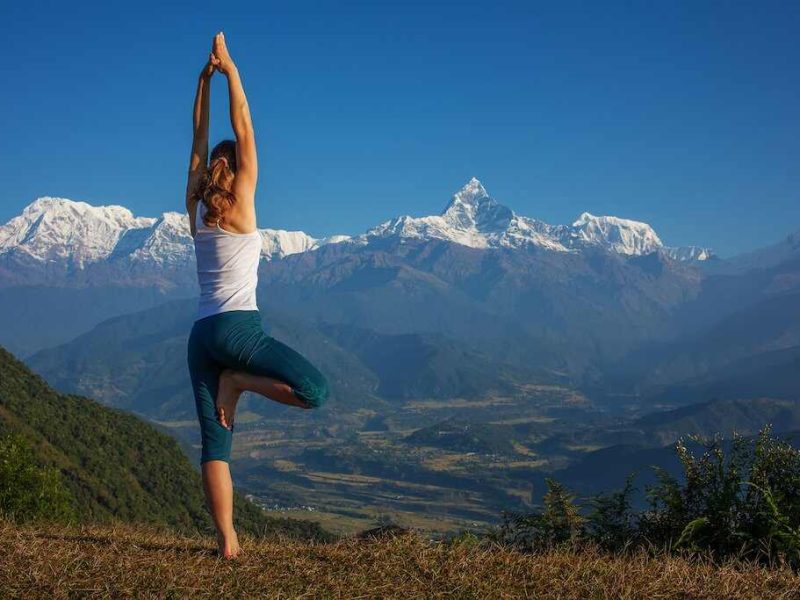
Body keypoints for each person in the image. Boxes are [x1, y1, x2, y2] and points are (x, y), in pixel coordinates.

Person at [185, 32, 330, 559]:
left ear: (208, 175)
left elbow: (198, 139)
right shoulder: (244, 202)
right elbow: (241, 121)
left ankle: (228, 543)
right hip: (237, 330)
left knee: (214, 443)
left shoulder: (196, 210)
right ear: (239, 168)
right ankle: (240, 381)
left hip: (200, 335)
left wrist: (202, 79)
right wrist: (231, 70)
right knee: (316, 390)